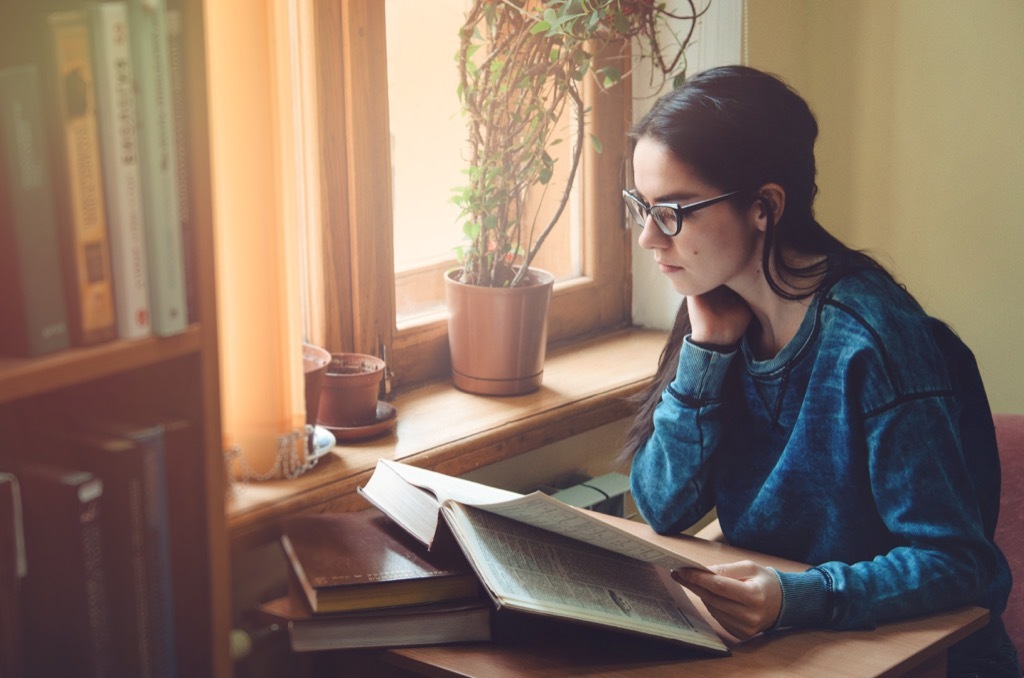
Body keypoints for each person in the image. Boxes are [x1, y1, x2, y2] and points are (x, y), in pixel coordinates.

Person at [623, 65, 1019, 677]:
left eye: (674, 211)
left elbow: (959, 563)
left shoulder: (872, 341)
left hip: (913, 659)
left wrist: (796, 598)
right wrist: (706, 352)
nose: (650, 237)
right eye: (641, 207)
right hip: (789, 650)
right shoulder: (714, 309)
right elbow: (661, 507)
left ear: (765, 207)